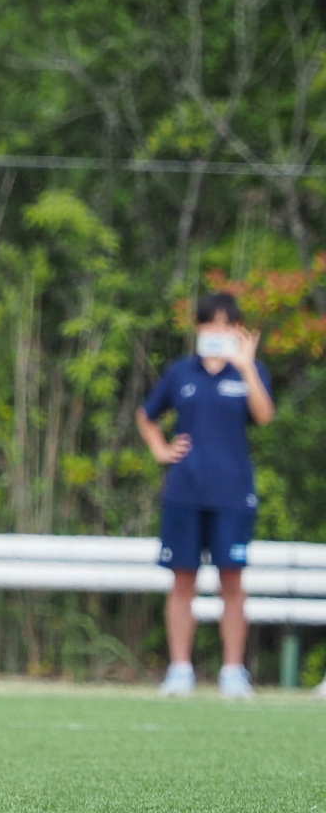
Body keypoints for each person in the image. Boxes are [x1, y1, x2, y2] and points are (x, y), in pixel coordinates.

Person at [136, 293, 274, 699]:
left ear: (238, 330)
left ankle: (233, 671)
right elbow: (147, 416)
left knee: (232, 582)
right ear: (198, 329)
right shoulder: (182, 373)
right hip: (185, 493)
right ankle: (180, 670)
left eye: (227, 325)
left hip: (233, 494)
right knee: (183, 582)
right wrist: (161, 449)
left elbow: (264, 415)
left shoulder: (249, 371)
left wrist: (246, 368)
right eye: (210, 324)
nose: (218, 332)